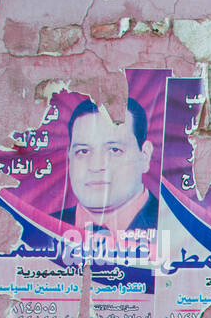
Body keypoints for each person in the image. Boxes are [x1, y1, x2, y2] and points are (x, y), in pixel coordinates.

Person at [56, 98, 158, 235]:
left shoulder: (177, 228)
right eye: (83, 151)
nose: (96, 166)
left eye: (114, 150)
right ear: (69, 157)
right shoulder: (36, 230)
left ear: (145, 155)